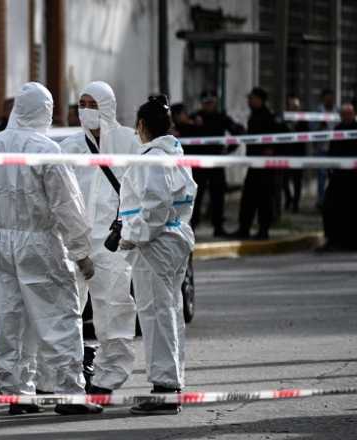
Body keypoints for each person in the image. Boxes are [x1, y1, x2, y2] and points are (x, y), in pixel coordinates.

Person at [0, 82, 101, 416]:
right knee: (58, 318)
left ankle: (17, 393)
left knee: (11, 320)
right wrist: (81, 251)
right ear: (45, 111)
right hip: (39, 243)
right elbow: (66, 205)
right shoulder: (47, 150)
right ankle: (69, 394)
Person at [57, 81, 138, 396]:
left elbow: (141, 187)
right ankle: (68, 376)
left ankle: (108, 378)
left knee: (113, 309)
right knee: (66, 311)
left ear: (108, 106)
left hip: (112, 243)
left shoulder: (129, 142)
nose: (86, 111)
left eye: (93, 104)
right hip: (73, 242)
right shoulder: (69, 147)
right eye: (82, 104)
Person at [118, 95, 196, 415]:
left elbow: (155, 207)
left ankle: (164, 389)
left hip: (154, 245)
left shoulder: (152, 158)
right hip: (174, 240)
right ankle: (172, 383)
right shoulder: (175, 153)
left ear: (141, 125)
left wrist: (130, 235)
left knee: (155, 316)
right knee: (169, 312)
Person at [189, 91, 243, 237]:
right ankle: (192, 226)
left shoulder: (221, 117)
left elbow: (238, 132)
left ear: (215, 103)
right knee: (196, 196)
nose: (208, 105)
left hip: (216, 163)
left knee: (218, 196)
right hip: (198, 164)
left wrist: (229, 149)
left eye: (211, 103)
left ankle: (218, 227)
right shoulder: (195, 117)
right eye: (206, 103)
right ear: (202, 103)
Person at [233, 87, 284, 240]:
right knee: (248, 198)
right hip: (254, 163)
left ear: (260, 100)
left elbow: (279, 136)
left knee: (264, 199)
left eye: (252, 98)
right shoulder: (254, 116)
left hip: (265, 166)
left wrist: (271, 149)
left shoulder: (269, 117)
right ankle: (244, 228)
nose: (249, 101)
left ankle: (263, 230)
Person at [320, 103, 357, 251]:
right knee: (329, 207)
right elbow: (332, 151)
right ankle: (332, 239)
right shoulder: (337, 130)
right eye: (344, 114)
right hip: (339, 177)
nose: (347, 116)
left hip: (353, 178)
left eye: (350, 113)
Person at [282, 95, 309, 213]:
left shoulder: (303, 120)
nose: (293, 108)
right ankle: (288, 198)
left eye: (295, 106)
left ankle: (296, 204)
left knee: (297, 180)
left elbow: (306, 134)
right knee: (284, 180)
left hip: (298, 153)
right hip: (286, 153)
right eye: (291, 105)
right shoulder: (284, 119)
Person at [315, 89, 337, 209]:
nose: (329, 100)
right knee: (322, 176)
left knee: (334, 176)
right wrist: (319, 125)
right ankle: (321, 201)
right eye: (327, 98)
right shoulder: (318, 111)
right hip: (322, 148)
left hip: (334, 149)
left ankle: (332, 200)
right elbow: (312, 129)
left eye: (331, 98)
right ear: (323, 99)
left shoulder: (337, 111)